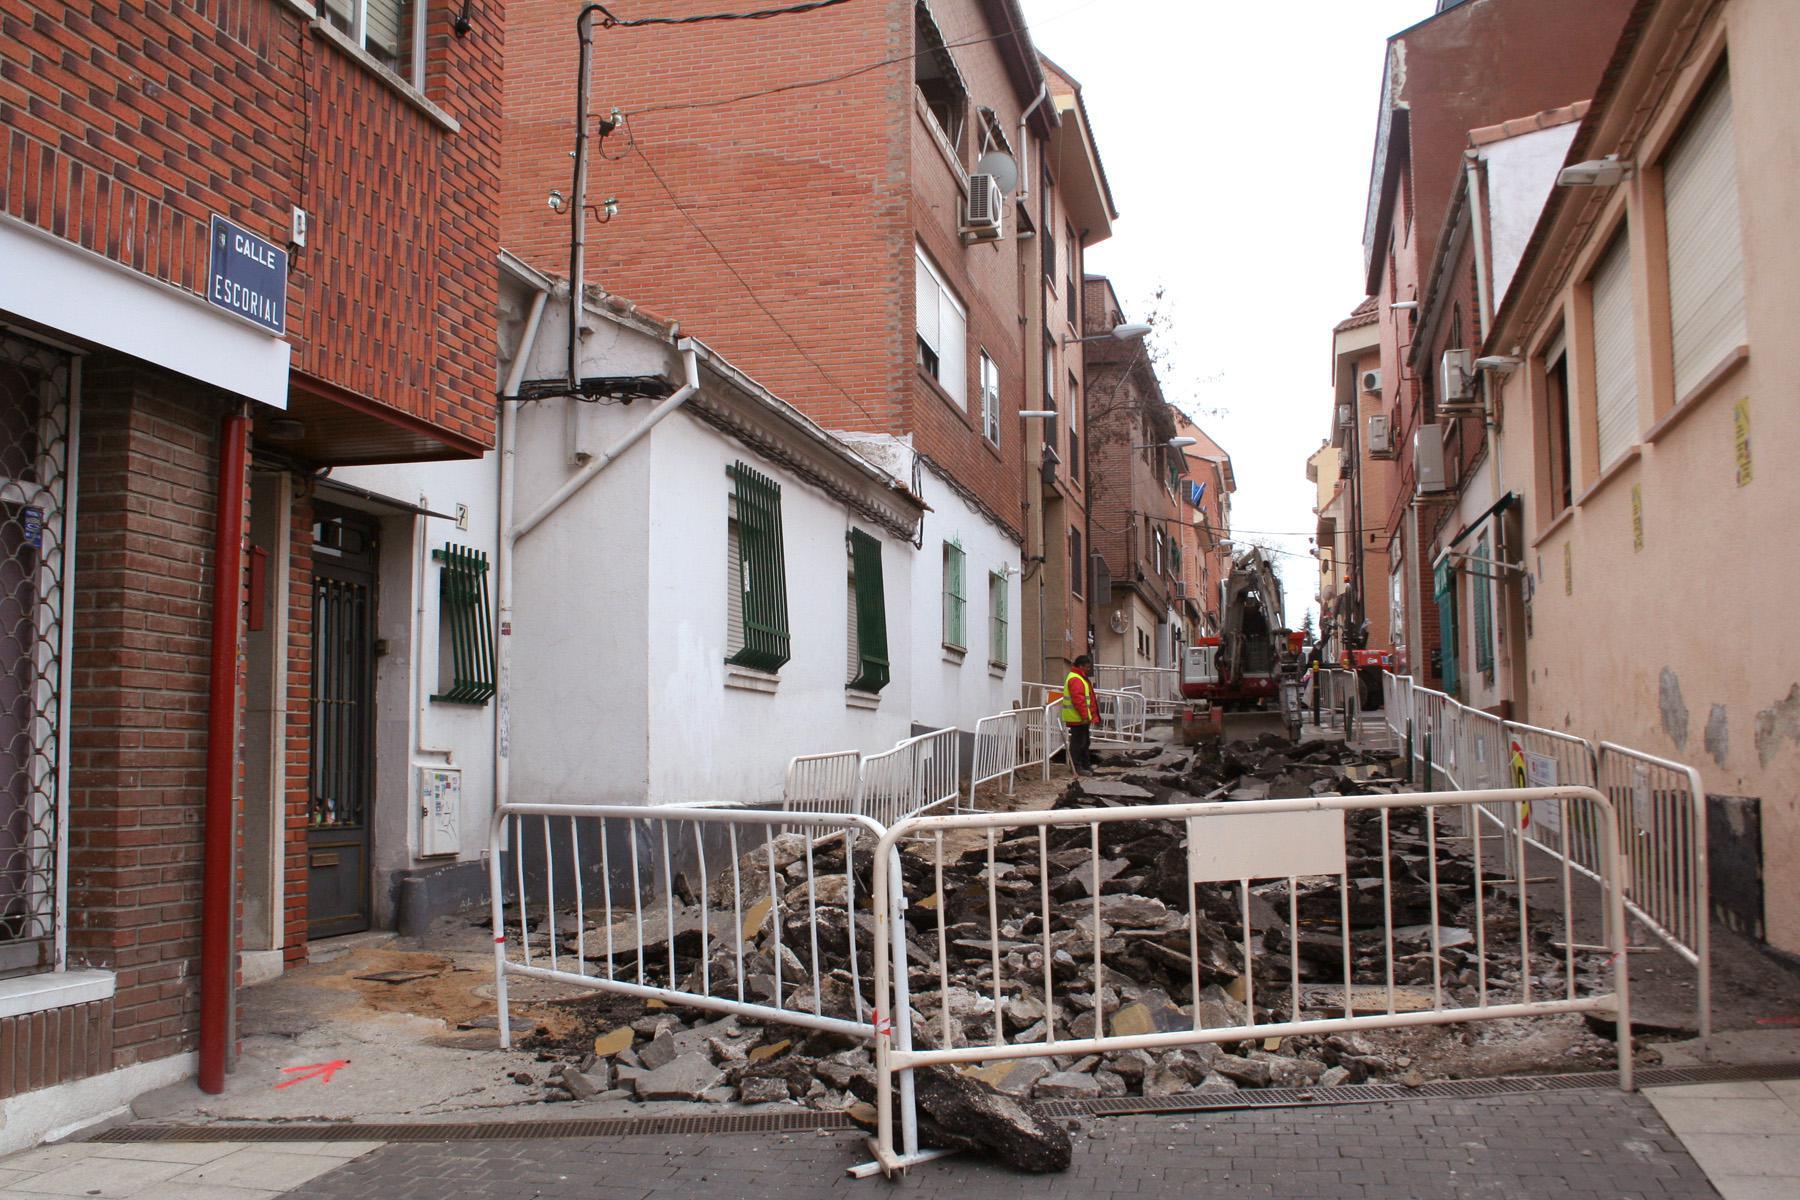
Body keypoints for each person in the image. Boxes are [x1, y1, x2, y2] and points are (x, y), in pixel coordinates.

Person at [1061, 654, 1098, 776]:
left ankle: (1084, 765)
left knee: (1084, 742)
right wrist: (1084, 716)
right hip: (1078, 718)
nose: (1089, 669)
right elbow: (1079, 700)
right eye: (1087, 667)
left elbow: (1082, 699)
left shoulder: (1077, 677)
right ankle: (1077, 767)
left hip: (1079, 717)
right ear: (1081, 666)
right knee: (1079, 743)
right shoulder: (1076, 679)